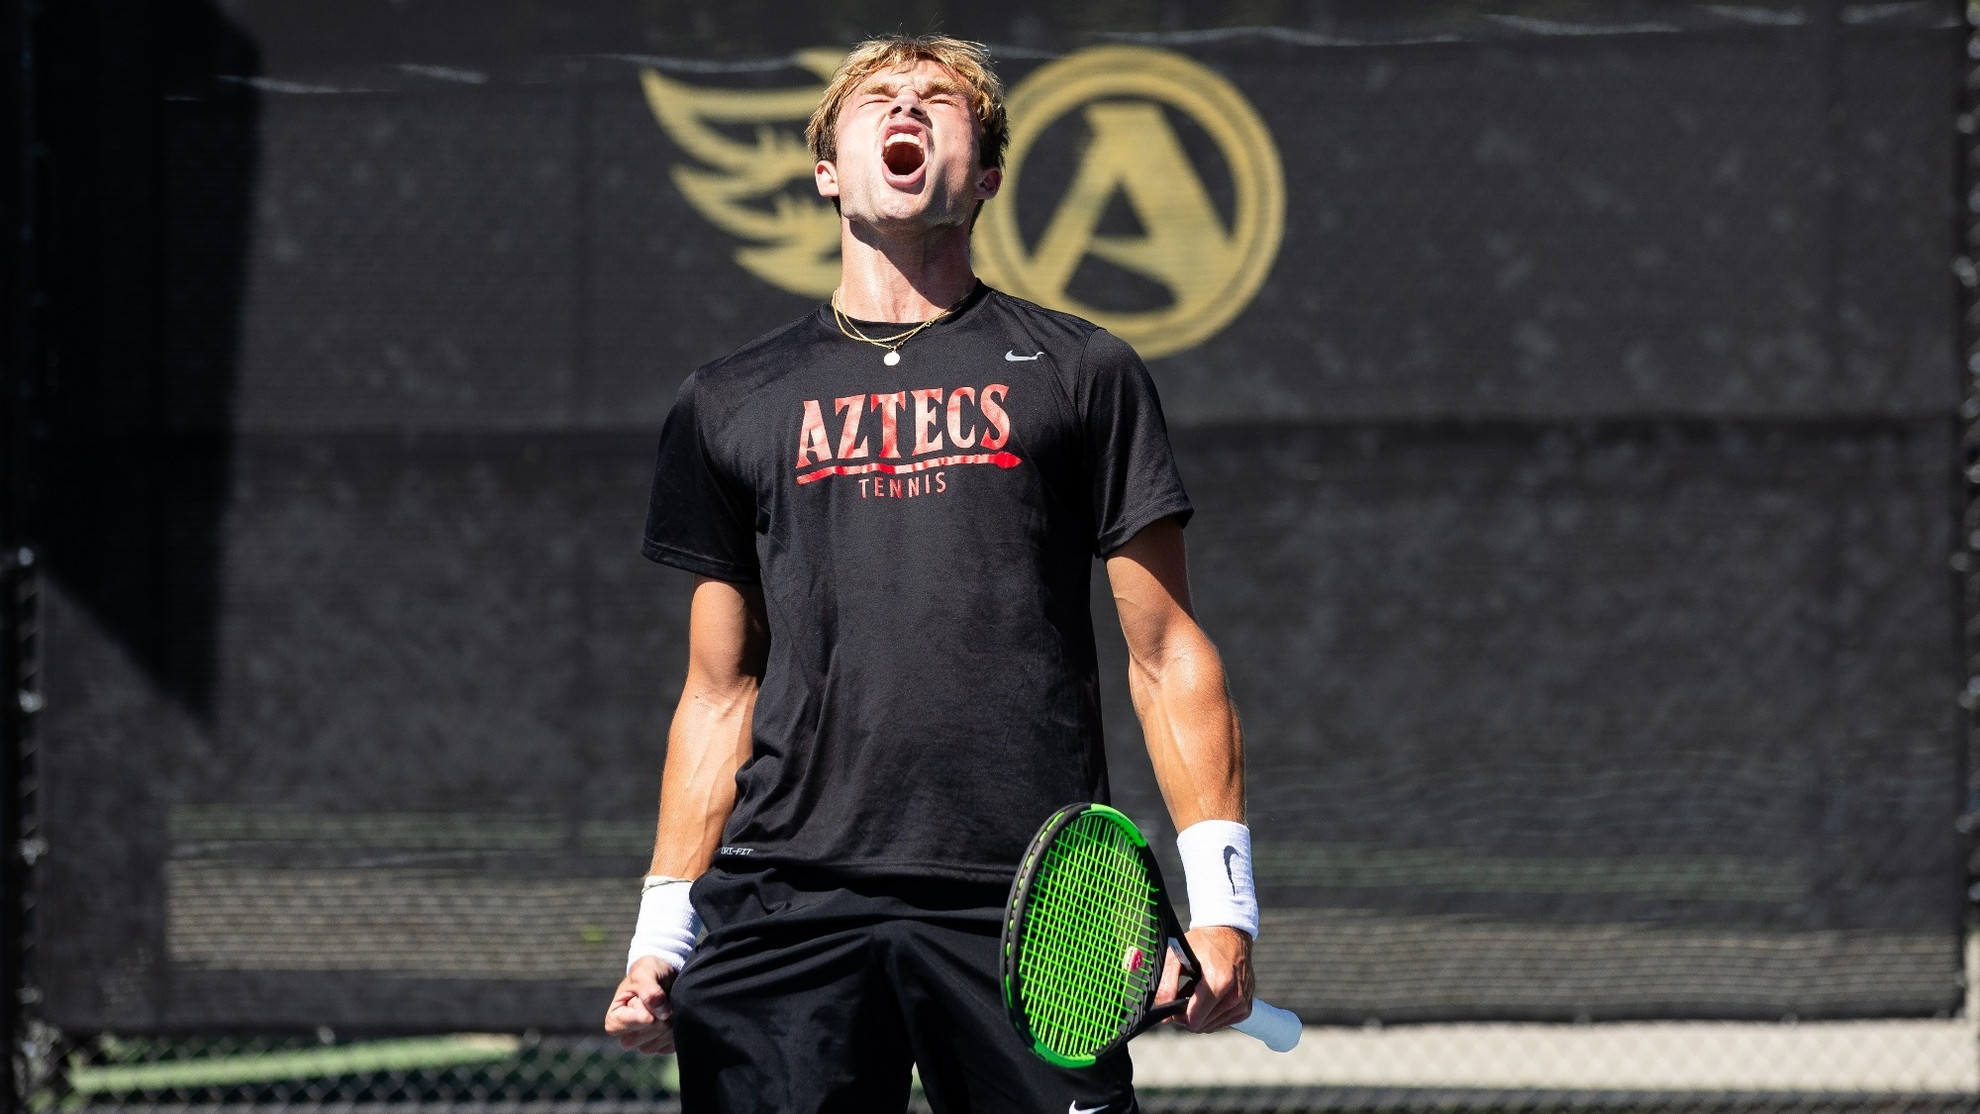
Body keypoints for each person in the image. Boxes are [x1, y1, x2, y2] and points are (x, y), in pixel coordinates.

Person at [603, 33, 1264, 1113]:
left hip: (1037, 906)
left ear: (987, 174)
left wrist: (1225, 904)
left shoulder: (1083, 371)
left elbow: (1168, 653)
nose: (905, 107)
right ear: (826, 170)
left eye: (938, 101)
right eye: (877, 98)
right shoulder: (729, 400)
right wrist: (660, 934)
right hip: (787, 901)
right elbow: (719, 691)